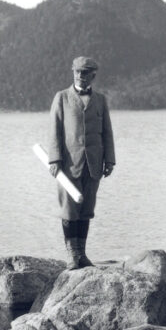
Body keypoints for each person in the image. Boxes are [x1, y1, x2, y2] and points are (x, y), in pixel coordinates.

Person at [47, 56, 116, 269]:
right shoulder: (62, 97)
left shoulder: (101, 100)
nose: (81, 76)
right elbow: (54, 130)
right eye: (77, 72)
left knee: (86, 209)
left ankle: (82, 255)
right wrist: (55, 159)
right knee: (69, 210)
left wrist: (110, 160)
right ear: (73, 73)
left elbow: (107, 132)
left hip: (93, 164)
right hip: (68, 164)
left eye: (85, 73)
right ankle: (72, 256)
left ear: (93, 76)